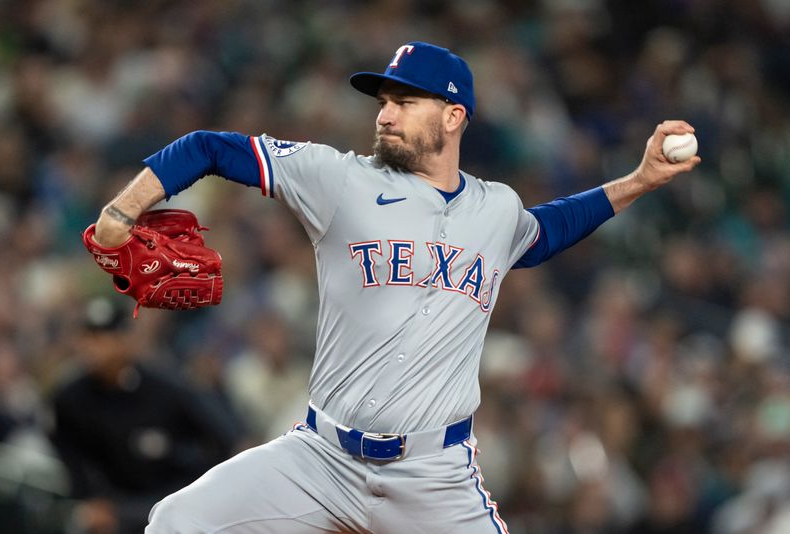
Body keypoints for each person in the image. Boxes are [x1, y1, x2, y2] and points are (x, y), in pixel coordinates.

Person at [87, 41, 700, 533]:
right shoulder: (337, 179)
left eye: (406, 100)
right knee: (176, 521)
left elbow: (547, 231)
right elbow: (209, 148)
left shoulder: (496, 211)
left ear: (454, 115)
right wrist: (123, 211)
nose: (384, 112)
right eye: (384, 98)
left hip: (435, 477)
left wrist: (640, 180)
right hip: (320, 459)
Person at [49, 297, 239, 534]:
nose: (92, 347)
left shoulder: (165, 388)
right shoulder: (70, 399)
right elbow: (73, 460)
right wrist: (91, 499)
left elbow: (222, 437)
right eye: (87, 338)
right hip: (114, 508)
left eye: (102, 338)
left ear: (125, 340)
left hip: (171, 498)